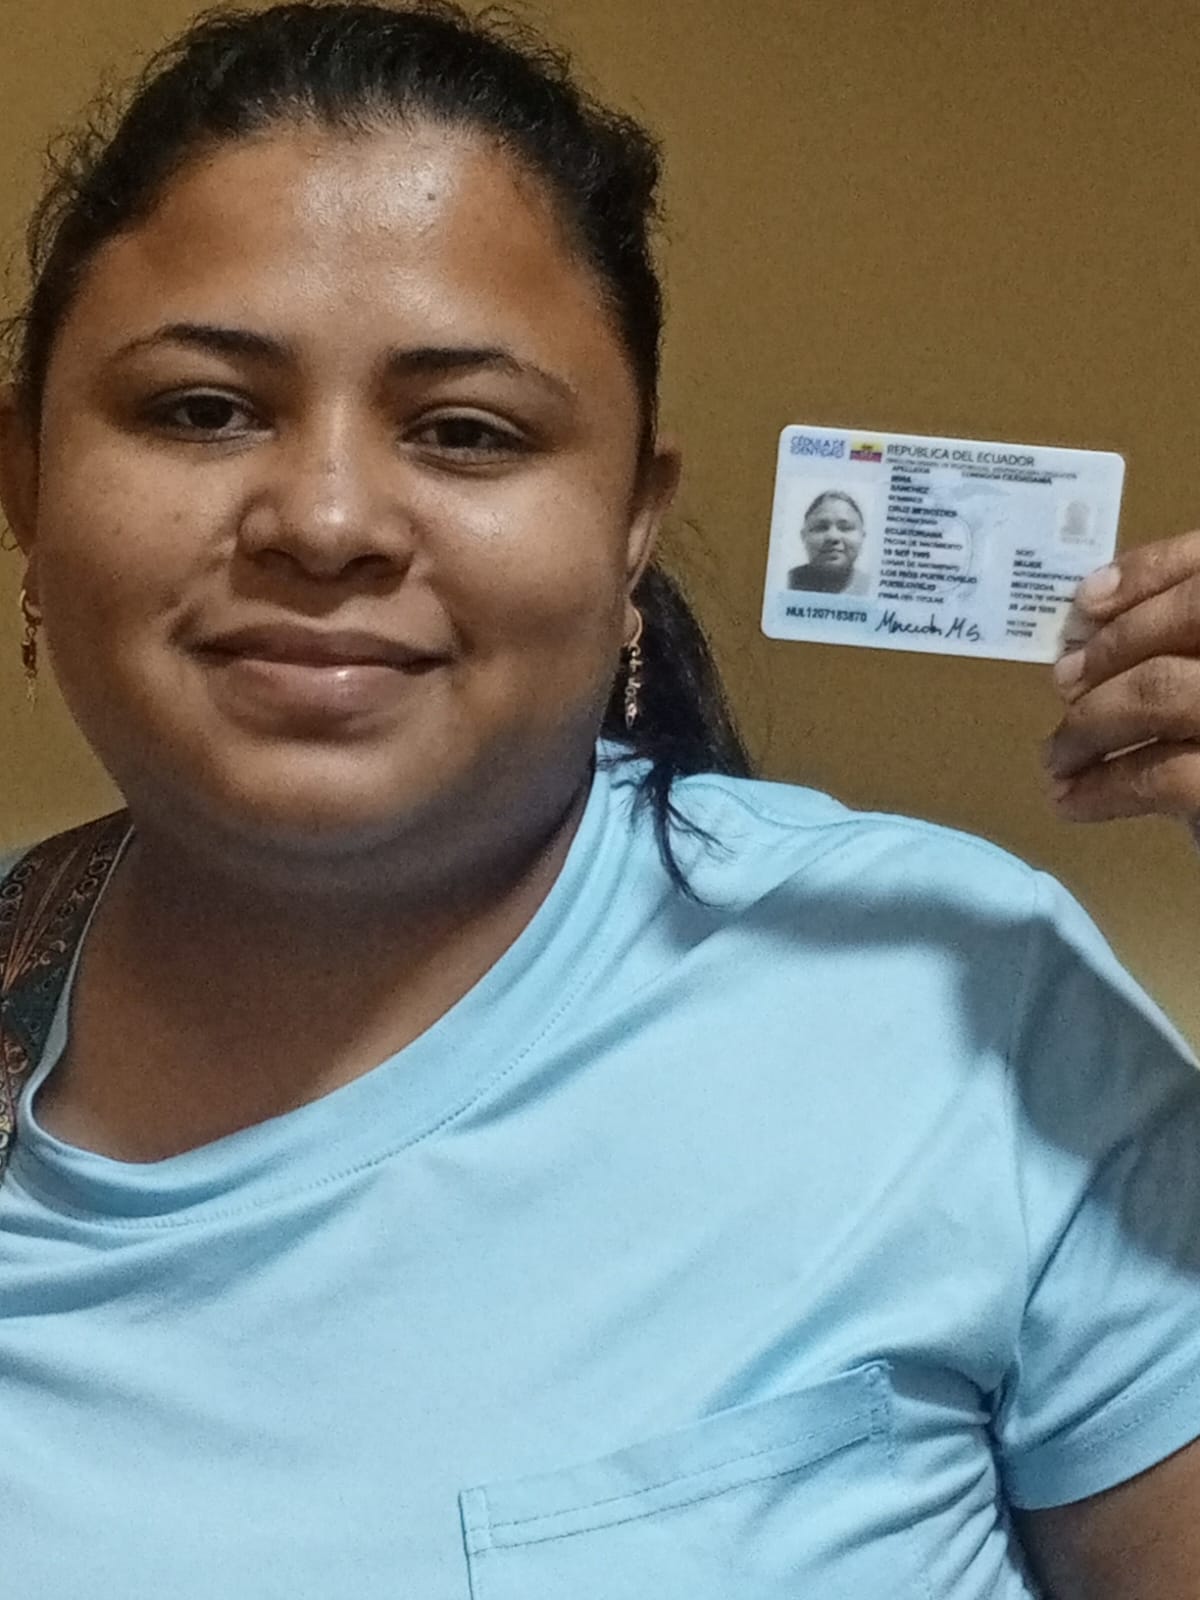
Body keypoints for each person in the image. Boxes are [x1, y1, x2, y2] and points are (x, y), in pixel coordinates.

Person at [2, 5, 1200, 1597]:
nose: (328, 520)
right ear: (25, 484)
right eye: (202, 409)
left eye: (468, 431)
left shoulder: (961, 999)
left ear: (635, 520)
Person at [786, 488, 871, 594]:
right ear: (803, 536)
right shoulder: (782, 583)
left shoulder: (875, 588)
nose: (833, 536)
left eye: (845, 528)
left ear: (862, 536)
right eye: (821, 527)